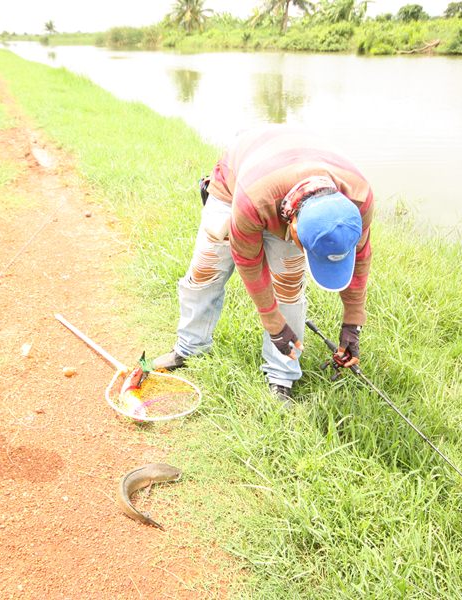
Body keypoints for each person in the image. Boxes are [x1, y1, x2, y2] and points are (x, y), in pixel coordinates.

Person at [153, 125, 374, 408]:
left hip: (292, 169)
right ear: (293, 224)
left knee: (289, 285)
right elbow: (247, 260)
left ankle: (281, 378)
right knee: (206, 270)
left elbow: (361, 256)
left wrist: (353, 322)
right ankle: (189, 348)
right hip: (240, 182)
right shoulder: (253, 199)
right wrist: (271, 320)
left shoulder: (359, 201)